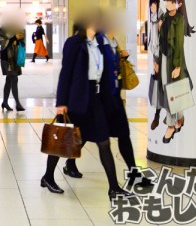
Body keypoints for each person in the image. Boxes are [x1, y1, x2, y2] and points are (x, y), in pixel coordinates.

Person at [41, 19, 133, 199]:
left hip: (96, 99)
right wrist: (61, 103)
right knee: (64, 141)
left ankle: (113, 188)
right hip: (77, 99)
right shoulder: (74, 43)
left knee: (103, 142)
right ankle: (48, 176)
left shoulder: (98, 41)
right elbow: (65, 73)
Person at [63, 27, 152, 188]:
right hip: (100, 99)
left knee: (123, 134)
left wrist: (120, 57)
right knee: (86, 135)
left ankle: (132, 175)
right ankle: (67, 164)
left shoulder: (111, 40)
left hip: (112, 98)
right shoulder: (94, 41)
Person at [157, 0, 194, 144]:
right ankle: (179, 118)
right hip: (164, 59)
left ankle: (171, 125)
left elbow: (179, 43)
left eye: (172, 1)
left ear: (179, 4)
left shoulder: (179, 19)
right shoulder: (164, 17)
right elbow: (161, 42)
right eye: (167, 0)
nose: (168, 3)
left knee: (172, 92)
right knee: (169, 91)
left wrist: (178, 65)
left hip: (174, 60)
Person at [147, 0, 165, 130]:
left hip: (163, 53)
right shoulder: (151, 16)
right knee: (159, 82)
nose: (152, 7)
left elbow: (164, 36)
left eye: (154, 4)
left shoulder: (162, 16)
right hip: (156, 53)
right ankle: (158, 114)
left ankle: (164, 114)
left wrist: (161, 26)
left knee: (165, 83)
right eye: (151, 4)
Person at [0, 26, 25, 111]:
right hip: (7, 59)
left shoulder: (17, 28)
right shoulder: (3, 29)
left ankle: (5, 102)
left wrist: (19, 40)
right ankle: (17, 104)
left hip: (14, 58)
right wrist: (14, 38)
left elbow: (19, 42)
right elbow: (2, 43)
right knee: (14, 78)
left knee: (9, 80)